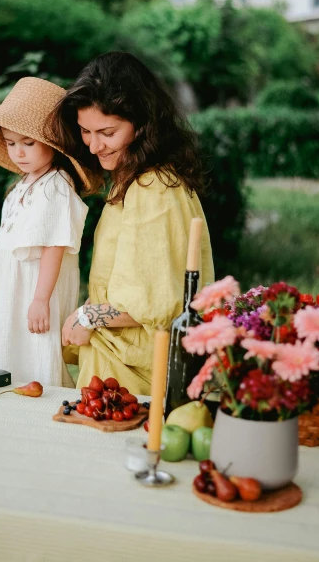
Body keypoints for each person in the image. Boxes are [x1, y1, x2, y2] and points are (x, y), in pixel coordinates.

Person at [49, 52, 214, 395]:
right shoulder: (134, 178)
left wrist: (88, 317)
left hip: (135, 374)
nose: (94, 145)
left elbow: (156, 301)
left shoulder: (152, 188)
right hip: (121, 362)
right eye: (85, 131)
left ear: (141, 125)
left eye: (107, 132)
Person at [0, 78, 90, 387]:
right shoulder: (23, 184)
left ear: (54, 145)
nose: (18, 152)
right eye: (10, 142)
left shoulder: (56, 185)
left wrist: (40, 299)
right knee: (8, 346)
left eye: (28, 143)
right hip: (10, 287)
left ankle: (37, 405)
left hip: (34, 288)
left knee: (34, 349)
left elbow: (55, 245)